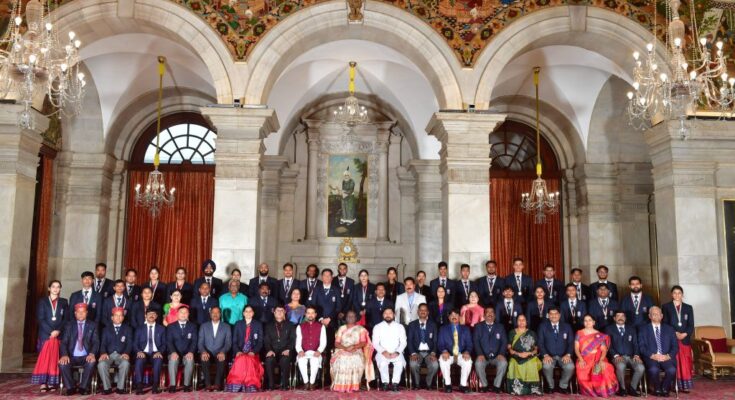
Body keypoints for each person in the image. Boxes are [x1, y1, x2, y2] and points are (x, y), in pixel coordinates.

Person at [32, 280, 67, 392]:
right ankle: (43, 383)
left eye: (58, 287)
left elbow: (66, 319)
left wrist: (58, 331)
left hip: (58, 335)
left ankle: (53, 383)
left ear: (60, 289)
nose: (55, 289)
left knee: (54, 359)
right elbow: (40, 319)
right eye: (53, 287)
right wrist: (50, 332)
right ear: (49, 288)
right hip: (45, 335)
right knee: (44, 359)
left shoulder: (63, 302)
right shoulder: (42, 301)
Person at [58, 303, 100, 396]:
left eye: (83, 312)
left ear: (87, 313)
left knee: (91, 363)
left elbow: (96, 342)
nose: (81, 314)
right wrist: (64, 355)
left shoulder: (93, 325)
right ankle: (70, 387)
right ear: (75, 313)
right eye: (78, 312)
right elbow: (64, 342)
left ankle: (83, 387)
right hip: (71, 356)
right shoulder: (69, 325)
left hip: (86, 355)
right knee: (62, 364)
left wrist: (92, 353)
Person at [637, 306, 678, 397]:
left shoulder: (670, 329)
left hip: (666, 357)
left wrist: (668, 356)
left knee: (671, 370)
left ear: (662, 316)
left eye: (658, 314)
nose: (656, 316)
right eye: (653, 314)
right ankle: (657, 388)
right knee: (653, 369)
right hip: (651, 357)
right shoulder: (643, 329)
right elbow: (641, 346)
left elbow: (675, 346)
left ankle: (665, 388)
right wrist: (652, 355)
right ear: (649, 316)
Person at [575, 314, 619, 397]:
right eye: (585, 320)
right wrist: (580, 359)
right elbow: (576, 348)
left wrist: (601, 360)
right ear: (583, 322)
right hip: (584, 358)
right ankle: (591, 391)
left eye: (590, 320)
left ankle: (601, 391)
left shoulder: (599, 335)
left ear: (593, 322)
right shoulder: (579, 333)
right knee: (581, 376)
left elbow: (604, 350)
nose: (587, 322)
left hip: (597, 358)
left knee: (605, 367)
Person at [330, 310, 373, 392]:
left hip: (356, 350)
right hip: (342, 349)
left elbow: (363, 342)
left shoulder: (361, 329)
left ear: (356, 318)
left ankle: (354, 386)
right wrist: (345, 348)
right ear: (345, 318)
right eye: (348, 316)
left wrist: (354, 346)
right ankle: (341, 385)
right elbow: (336, 343)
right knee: (342, 359)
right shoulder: (341, 328)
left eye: (352, 316)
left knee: (355, 358)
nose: (350, 318)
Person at [662, 285, 694, 393]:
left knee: (685, 363)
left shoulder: (688, 308)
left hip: (684, 339)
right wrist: (675, 333)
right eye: (674, 293)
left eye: (679, 293)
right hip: (672, 339)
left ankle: (685, 386)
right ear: (671, 295)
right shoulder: (666, 307)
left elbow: (691, 325)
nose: (677, 295)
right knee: (674, 362)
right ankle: (673, 384)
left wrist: (684, 334)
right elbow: (665, 323)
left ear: (682, 295)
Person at [605, 310, 645, 397]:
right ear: (614, 318)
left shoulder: (631, 329)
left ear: (625, 318)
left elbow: (636, 344)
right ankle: (622, 389)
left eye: (622, 316)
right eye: (618, 316)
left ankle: (632, 388)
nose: (620, 318)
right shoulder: (609, 329)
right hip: (617, 357)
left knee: (640, 367)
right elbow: (608, 345)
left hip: (631, 357)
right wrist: (615, 355)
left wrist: (636, 355)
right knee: (621, 366)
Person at [226, 306, 264, 393]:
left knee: (249, 359)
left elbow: (260, 342)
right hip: (240, 351)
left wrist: (253, 351)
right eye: (246, 311)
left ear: (253, 313)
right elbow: (234, 341)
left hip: (253, 352)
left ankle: (250, 384)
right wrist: (238, 351)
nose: (248, 313)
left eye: (250, 311)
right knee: (241, 358)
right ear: (243, 313)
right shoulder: (238, 324)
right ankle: (238, 384)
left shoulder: (258, 324)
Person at [538, 307, 575, 394]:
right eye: (551, 314)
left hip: (563, 355)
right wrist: (545, 355)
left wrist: (568, 354)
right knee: (546, 366)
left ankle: (563, 386)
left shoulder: (567, 326)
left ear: (559, 315)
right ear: (548, 316)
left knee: (570, 367)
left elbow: (571, 342)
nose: (553, 316)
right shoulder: (542, 326)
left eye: (556, 314)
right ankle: (551, 386)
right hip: (549, 355)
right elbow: (540, 342)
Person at [97, 307, 132, 395]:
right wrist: (103, 353)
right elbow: (103, 344)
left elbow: (129, 344)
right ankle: (107, 388)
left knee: (125, 363)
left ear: (123, 318)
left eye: (120, 316)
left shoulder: (128, 329)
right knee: (101, 364)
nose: (118, 317)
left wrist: (126, 353)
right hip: (108, 355)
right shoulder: (105, 329)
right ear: (112, 317)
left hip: (121, 355)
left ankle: (120, 388)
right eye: (116, 315)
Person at [473, 307, 508, 393]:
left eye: (492, 312)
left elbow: (504, 342)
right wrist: (480, 354)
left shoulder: (500, 327)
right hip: (483, 356)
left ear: (495, 316)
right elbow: (476, 341)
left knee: (504, 363)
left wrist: (501, 353)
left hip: (497, 356)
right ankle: (484, 385)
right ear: (484, 315)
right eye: (487, 312)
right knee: (478, 363)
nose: (490, 314)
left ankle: (497, 386)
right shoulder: (478, 326)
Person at [437, 309, 473, 393]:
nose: (454, 317)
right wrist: (444, 350)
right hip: (449, 354)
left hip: (461, 354)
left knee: (468, 361)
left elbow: (470, 344)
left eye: (456, 315)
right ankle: (448, 385)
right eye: (451, 315)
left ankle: (463, 385)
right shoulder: (443, 329)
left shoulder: (466, 329)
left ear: (459, 317)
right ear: (449, 318)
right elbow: (440, 343)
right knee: (443, 360)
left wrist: (467, 351)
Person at [506, 314, 543, 395]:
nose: (521, 322)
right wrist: (518, 354)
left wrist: (529, 353)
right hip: (515, 356)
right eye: (519, 320)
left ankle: (533, 389)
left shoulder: (532, 333)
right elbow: (509, 348)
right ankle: (517, 389)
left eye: (523, 320)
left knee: (532, 363)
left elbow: (536, 349)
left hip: (530, 356)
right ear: (516, 322)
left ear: (526, 322)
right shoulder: (512, 332)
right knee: (513, 363)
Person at [372, 308, 407, 391]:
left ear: (394, 315)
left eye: (390, 313)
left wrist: (397, 352)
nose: (388, 315)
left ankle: (395, 383)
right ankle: (385, 383)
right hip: (382, 352)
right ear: (383, 315)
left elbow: (403, 342)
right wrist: (383, 352)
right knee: (383, 362)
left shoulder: (400, 327)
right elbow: (375, 343)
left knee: (399, 362)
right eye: (385, 313)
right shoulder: (377, 327)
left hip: (396, 351)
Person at [198, 306, 231, 391]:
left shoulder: (226, 327)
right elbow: (200, 342)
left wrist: (223, 352)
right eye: (213, 312)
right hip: (207, 352)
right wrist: (203, 352)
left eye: (217, 312)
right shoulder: (204, 326)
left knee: (222, 359)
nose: (215, 314)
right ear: (210, 314)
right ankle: (208, 384)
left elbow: (228, 343)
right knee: (204, 358)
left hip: (219, 352)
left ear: (220, 314)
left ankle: (217, 384)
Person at [133, 308, 166, 395]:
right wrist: (139, 351)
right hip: (143, 352)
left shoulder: (161, 329)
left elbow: (164, 344)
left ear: (156, 316)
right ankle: (139, 386)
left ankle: (155, 385)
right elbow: (135, 343)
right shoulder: (139, 328)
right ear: (145, 316)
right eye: (149, 314)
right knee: (139, 360)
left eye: (153, 314)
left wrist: (160, 352)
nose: (151, 315)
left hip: (155, 352)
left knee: (158, 359)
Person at [407, 303, 439, 390]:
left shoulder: (433, 325)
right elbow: (409, 341)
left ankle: (428, 383)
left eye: (425, 310)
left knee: (435, 365)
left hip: (429, 352)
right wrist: (413, 353)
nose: (423, 312)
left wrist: (433, 353)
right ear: (417, 312)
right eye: (421, 310)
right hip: (417, 352)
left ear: (428, 312)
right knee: (413, 364)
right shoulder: (412, 325)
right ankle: (417, 384)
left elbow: (435, 341)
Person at [263, 306, 296, 390]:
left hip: (285, 350)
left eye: (282, 310)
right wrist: (269, 350)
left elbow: (293, 339)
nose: (280, 312)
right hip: (273, 350)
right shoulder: (268, 325)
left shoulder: (290, 325)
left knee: (285, 360)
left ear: (284, 312)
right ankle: (271, 385)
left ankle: (284, 385)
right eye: (277, 311)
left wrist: (288, 349)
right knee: (269, 360)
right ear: (274, 313)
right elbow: (266, 340)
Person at [166, 306, 197, 392]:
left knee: (190, 360)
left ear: (188, 314)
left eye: (185, 312)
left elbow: (194, 341)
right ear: (177, 314)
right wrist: (173, 352)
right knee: (173, 360)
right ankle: (172, 385)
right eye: (181, 312)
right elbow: (169, 341)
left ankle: (186, 385)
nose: (183, 314)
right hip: (174, 352)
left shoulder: (193, 326)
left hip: (187, 353)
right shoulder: (170, 326)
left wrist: (191, 352)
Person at [296, 306, 327, 390]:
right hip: (304, 351)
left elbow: (323, 342)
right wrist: (300, 351)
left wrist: (319, 351)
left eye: (312, 313)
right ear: (305, 314)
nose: (310, 315)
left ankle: (312, 383)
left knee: (314, 360)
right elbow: (298, 342)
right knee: (301, 360)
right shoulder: (300, 327)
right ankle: (306, 382)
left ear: (316, 315)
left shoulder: (321, 326)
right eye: (308, 313)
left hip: (316, 351)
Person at [314, 268, 342, 345]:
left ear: (332, 277)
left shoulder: (336, 290)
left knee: (330, 344)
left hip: (332, 322)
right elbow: (313, 305)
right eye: (325, 275)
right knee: (318, 343)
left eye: (328, 276)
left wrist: (329, 318)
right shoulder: (316, 289)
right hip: (319, 321)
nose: (326, 277)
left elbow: (338, 307)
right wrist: (321, 318)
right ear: (322, 277)